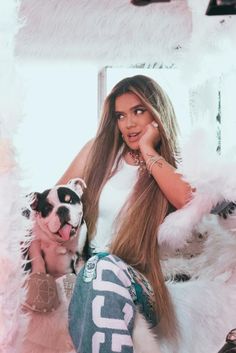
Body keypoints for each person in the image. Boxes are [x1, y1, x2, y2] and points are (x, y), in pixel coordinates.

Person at [57, 75, 192, 352]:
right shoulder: (97, 153)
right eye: (120, 116)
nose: (128, 124)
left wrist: (147, 149)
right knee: (98, 269)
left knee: (102, 267)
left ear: (157, 112)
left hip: (143, 284)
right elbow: (57, 202)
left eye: (138, 111)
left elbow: (187, 201)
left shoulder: (172, 165)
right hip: (91, 273)